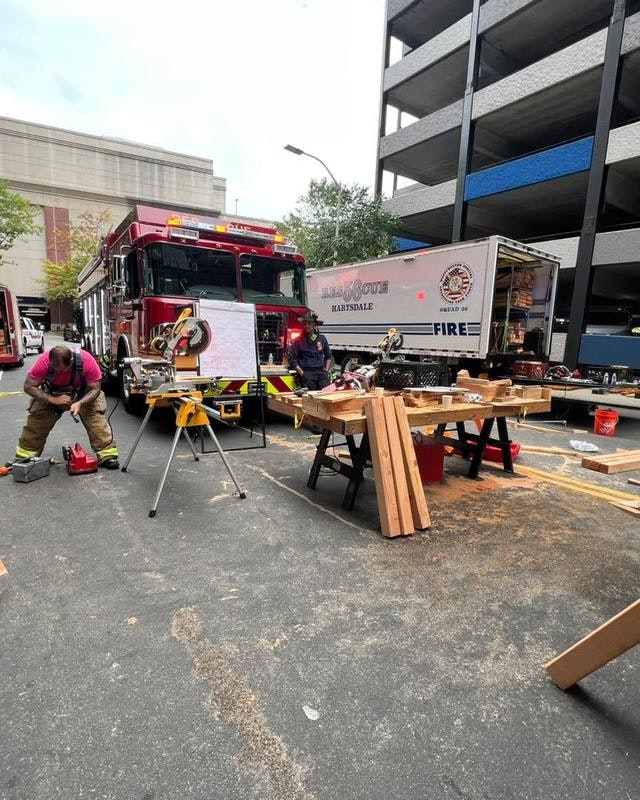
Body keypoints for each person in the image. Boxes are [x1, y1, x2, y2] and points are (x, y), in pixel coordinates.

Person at [14, 345, 119, 469]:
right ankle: (25, 456)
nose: (58, 372)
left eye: (62, 370)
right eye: (55, 368)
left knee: (95, 416)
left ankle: (107, 454)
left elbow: (95, 389)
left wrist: (80, 403)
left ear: (71, 361)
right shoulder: (44, 362)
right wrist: (52, 399)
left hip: (83, 392)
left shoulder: (87, 361)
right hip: (53, 393)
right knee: (38, 419)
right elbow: (28, 386)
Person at [288, 312, 332, 390]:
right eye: (305, 324)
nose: (306, 326)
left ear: (314, 325)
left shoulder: (322, 339)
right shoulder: (298, 340)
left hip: (321, 373)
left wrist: (326, 371)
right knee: (309, 396)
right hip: (307, 373)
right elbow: (292, 358)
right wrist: (302, 373)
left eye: (309, 324)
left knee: (325, 394)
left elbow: (328, 356)